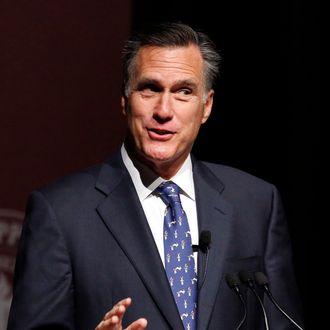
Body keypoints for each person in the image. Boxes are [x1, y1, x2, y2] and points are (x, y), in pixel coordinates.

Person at [7, 22, 304, 330]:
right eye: (150, 88)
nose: (164, 110)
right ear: (125, 99)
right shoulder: (60, 213)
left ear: (207, 106)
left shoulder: (255, 203)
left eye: (183, 91)